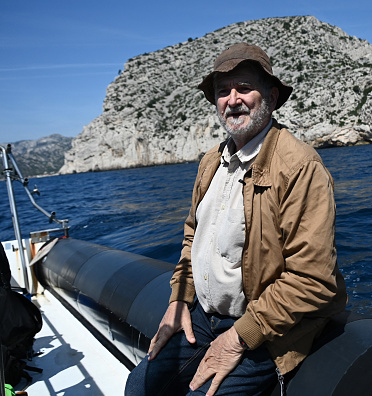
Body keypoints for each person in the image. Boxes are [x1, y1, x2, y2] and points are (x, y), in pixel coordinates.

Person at [125, 43, 347, 396]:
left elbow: (313, 278)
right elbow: (192, 236)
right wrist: (179, 299)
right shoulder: (211, 161)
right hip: (205, 316)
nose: (232, 99)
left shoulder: (300, 166)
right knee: (139, 388)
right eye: (222, 92)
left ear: (271, 97)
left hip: (265, 326)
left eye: (244, 87)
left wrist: (238, 338)